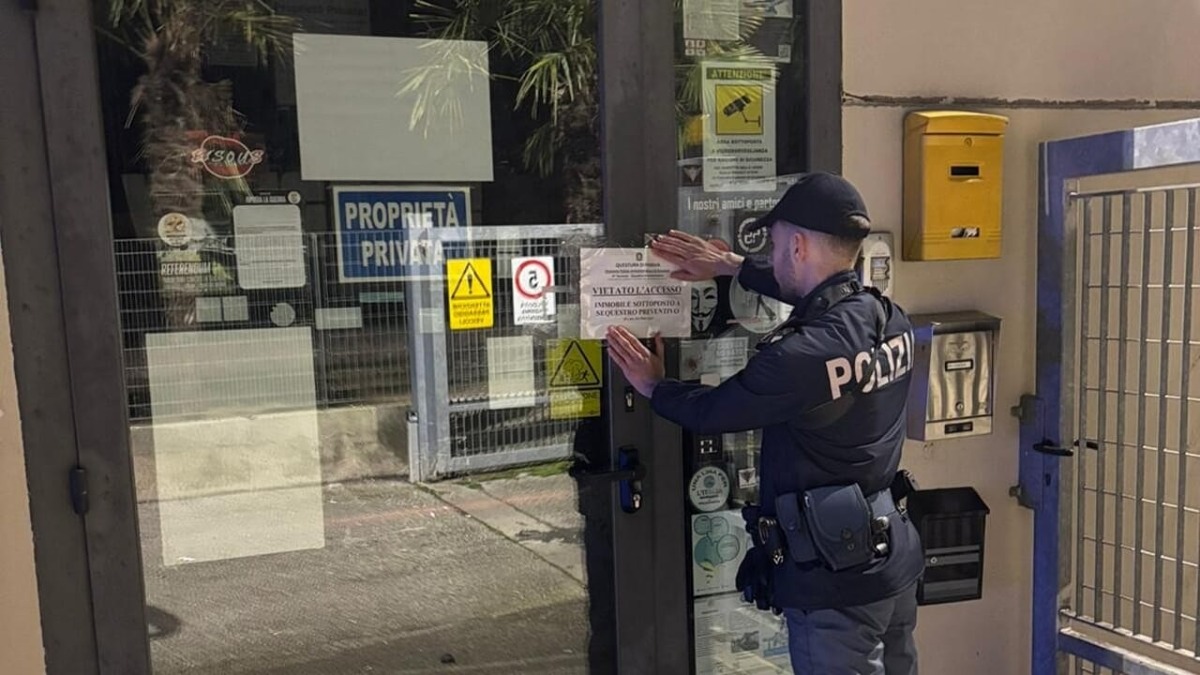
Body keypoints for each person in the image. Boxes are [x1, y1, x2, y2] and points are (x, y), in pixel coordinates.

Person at [606, 172, 924, 674]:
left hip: (834, 583)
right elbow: (817, 297)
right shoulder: (887, 318)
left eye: (775, 246)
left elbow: (712, 411)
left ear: (798, 246)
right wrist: (729, 266)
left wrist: (653, 386)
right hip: (888, 561)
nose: (772, 257)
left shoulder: (799, 357)